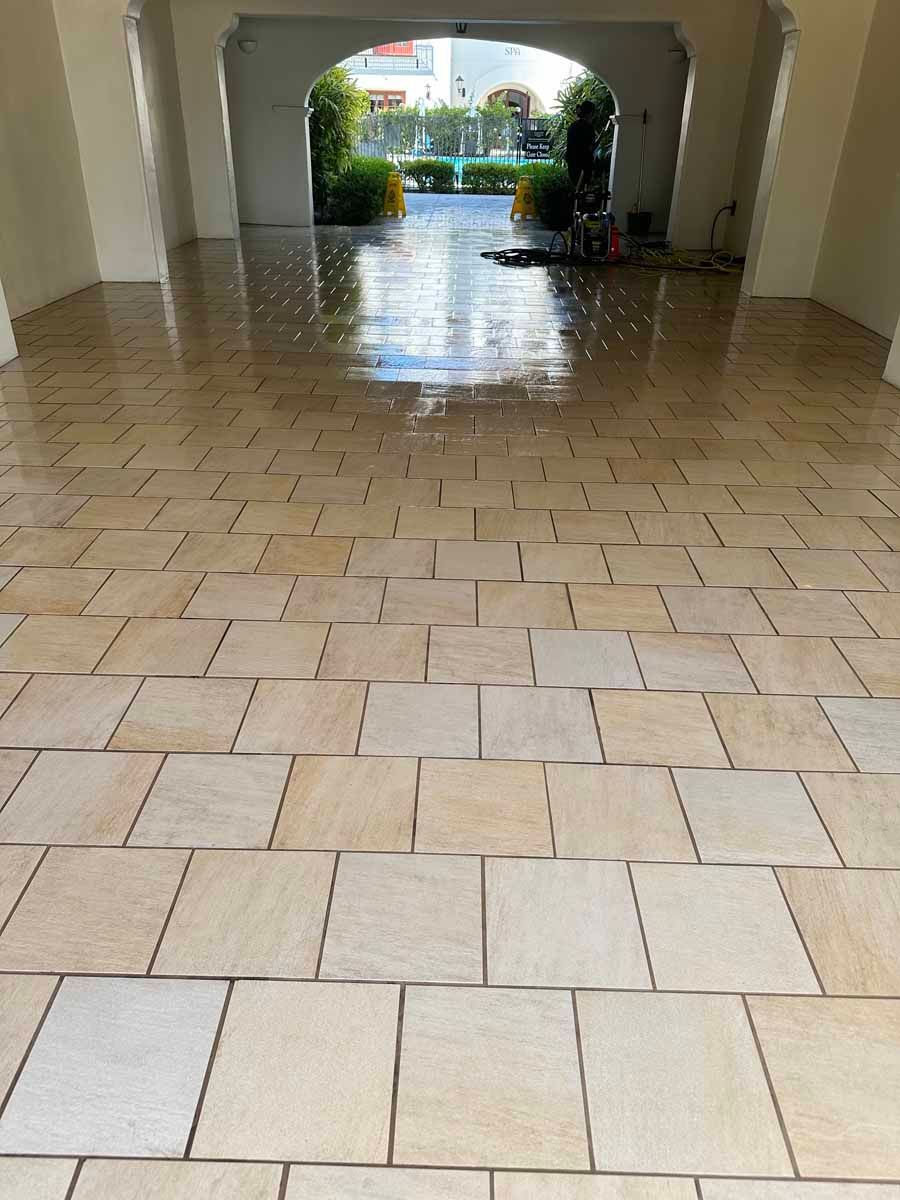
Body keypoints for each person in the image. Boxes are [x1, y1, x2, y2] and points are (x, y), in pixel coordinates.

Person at [565, 100, 597, 188]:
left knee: (577, 191)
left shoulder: (572, 126)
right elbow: (589, 148)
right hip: (584, 165)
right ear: (590, 113)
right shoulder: (588, 127)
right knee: (584, 192)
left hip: (572, 164)